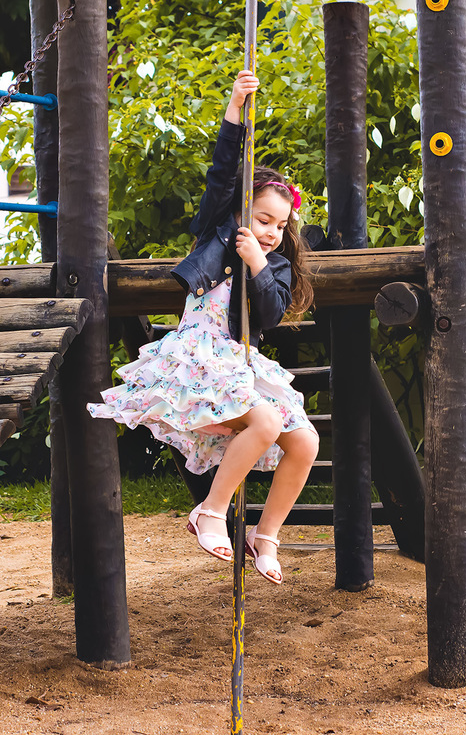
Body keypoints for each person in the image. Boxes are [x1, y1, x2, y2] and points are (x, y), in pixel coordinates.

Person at [88, 70, 319, 585]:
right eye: (262, 219)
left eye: (280, 225)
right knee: (262, 424)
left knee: (305, 443)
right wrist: (236, 106)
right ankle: (211, 512)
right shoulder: (219, 226)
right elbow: (222, 172)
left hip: (237, 355)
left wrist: (259, 261)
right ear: (242, 210)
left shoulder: (274, 264)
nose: (271, 231)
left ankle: (267, 535)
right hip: (201, 351)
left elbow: (271, 313)